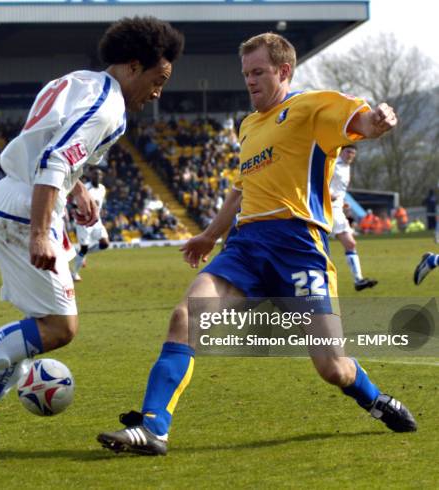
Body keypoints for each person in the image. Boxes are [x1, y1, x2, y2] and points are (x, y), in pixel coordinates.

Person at [97, 32, 417, 456]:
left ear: (284, 71)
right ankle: (154, 427)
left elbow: (362, 124)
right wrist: (210, 234)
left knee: (332, 367)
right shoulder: (248, 126)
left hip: (298, 247)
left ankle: (375, 399)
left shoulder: (312, 106)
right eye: (246, 73)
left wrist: (378, 122)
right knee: (184, 317)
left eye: (258, 72)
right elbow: (241, 188)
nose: (249, 81)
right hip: (245, 247)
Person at [0, 16, 184, 462]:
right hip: (26, 210)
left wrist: (77, 191)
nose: (158, 92)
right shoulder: (109, 107)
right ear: (134, 66)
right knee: (59, 328)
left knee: (34, 328)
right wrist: (42, 231)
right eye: (158, 80)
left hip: (11, 198)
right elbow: (56, 159)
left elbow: (46, 144)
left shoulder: (79, 82)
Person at [329, 144, 377, 291]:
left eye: (353, 154)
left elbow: (339, 189)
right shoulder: (331, 163)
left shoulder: (347, 168)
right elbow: (317, 181)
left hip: (336, 209)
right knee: (320, 246)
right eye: (348, 152)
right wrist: (327, 195)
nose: (351, 155)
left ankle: (358, 280)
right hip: (324, 208)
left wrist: (342, 202)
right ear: (341, 152)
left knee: (350, 244)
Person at [71, 169, 109, 281]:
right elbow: (74, 204)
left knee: (105, 244)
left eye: (99, 175)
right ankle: (74, 273)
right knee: (84, 248)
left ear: (101, 177)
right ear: (91, 176)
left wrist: (101, 210)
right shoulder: (85, 188)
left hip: (97, 221)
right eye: (95, 175)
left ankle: (81, 254)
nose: (97, 177)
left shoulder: (102, 189)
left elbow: (101, 203)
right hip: (84, 222)